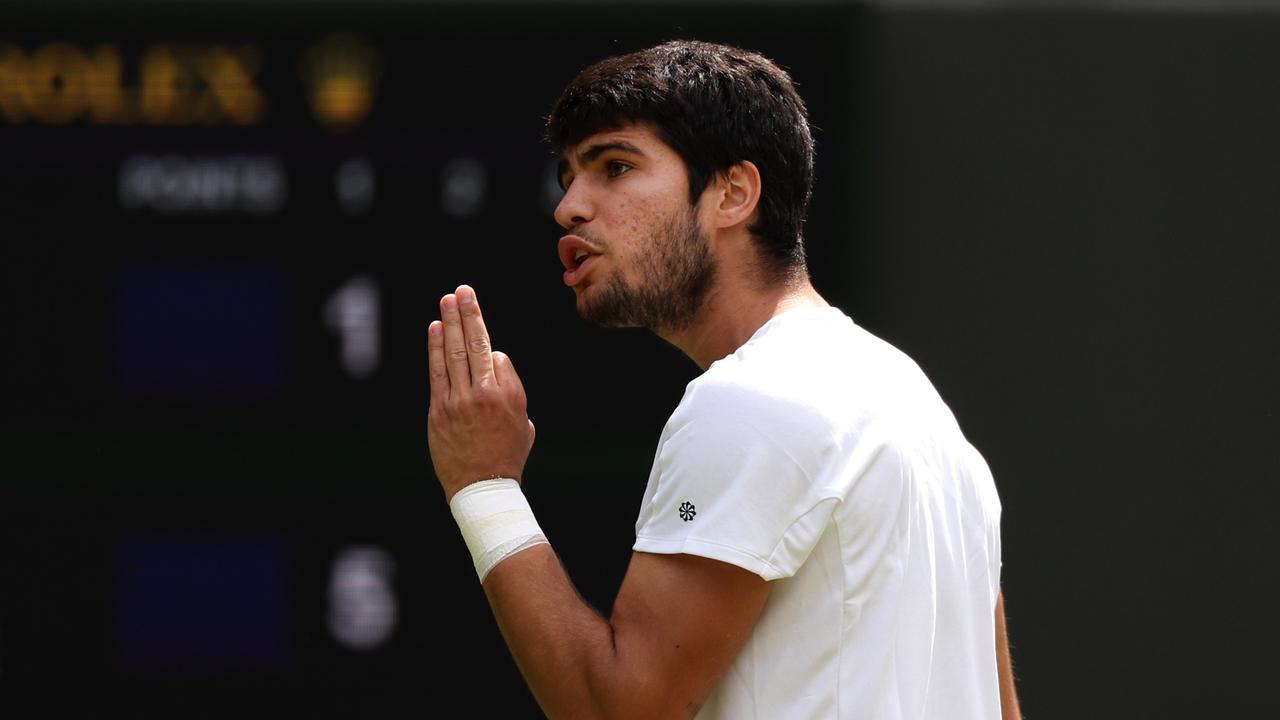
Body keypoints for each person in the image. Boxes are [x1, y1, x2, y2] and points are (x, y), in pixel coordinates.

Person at [427, 40, 1022, 719]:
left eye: (614, 167)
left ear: (733, 194)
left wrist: (484, 485)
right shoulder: (922, 410)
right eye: (569, 177)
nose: (570, 207)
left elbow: (616, 709)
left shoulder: (750, 401)